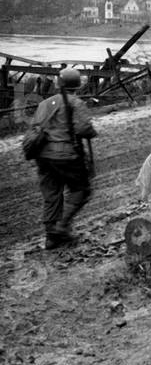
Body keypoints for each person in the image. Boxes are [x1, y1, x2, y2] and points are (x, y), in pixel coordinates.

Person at [31, 68, 97, 249]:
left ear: (58, 84)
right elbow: (84, 129)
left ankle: (50, 238)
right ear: (77, 85)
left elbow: (35, 127)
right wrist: (92, 131)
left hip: (43, 156)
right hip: (66, 155)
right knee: (81, 190)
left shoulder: (44, 103)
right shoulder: (76, 102)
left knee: (51, 194)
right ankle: (60, 228)